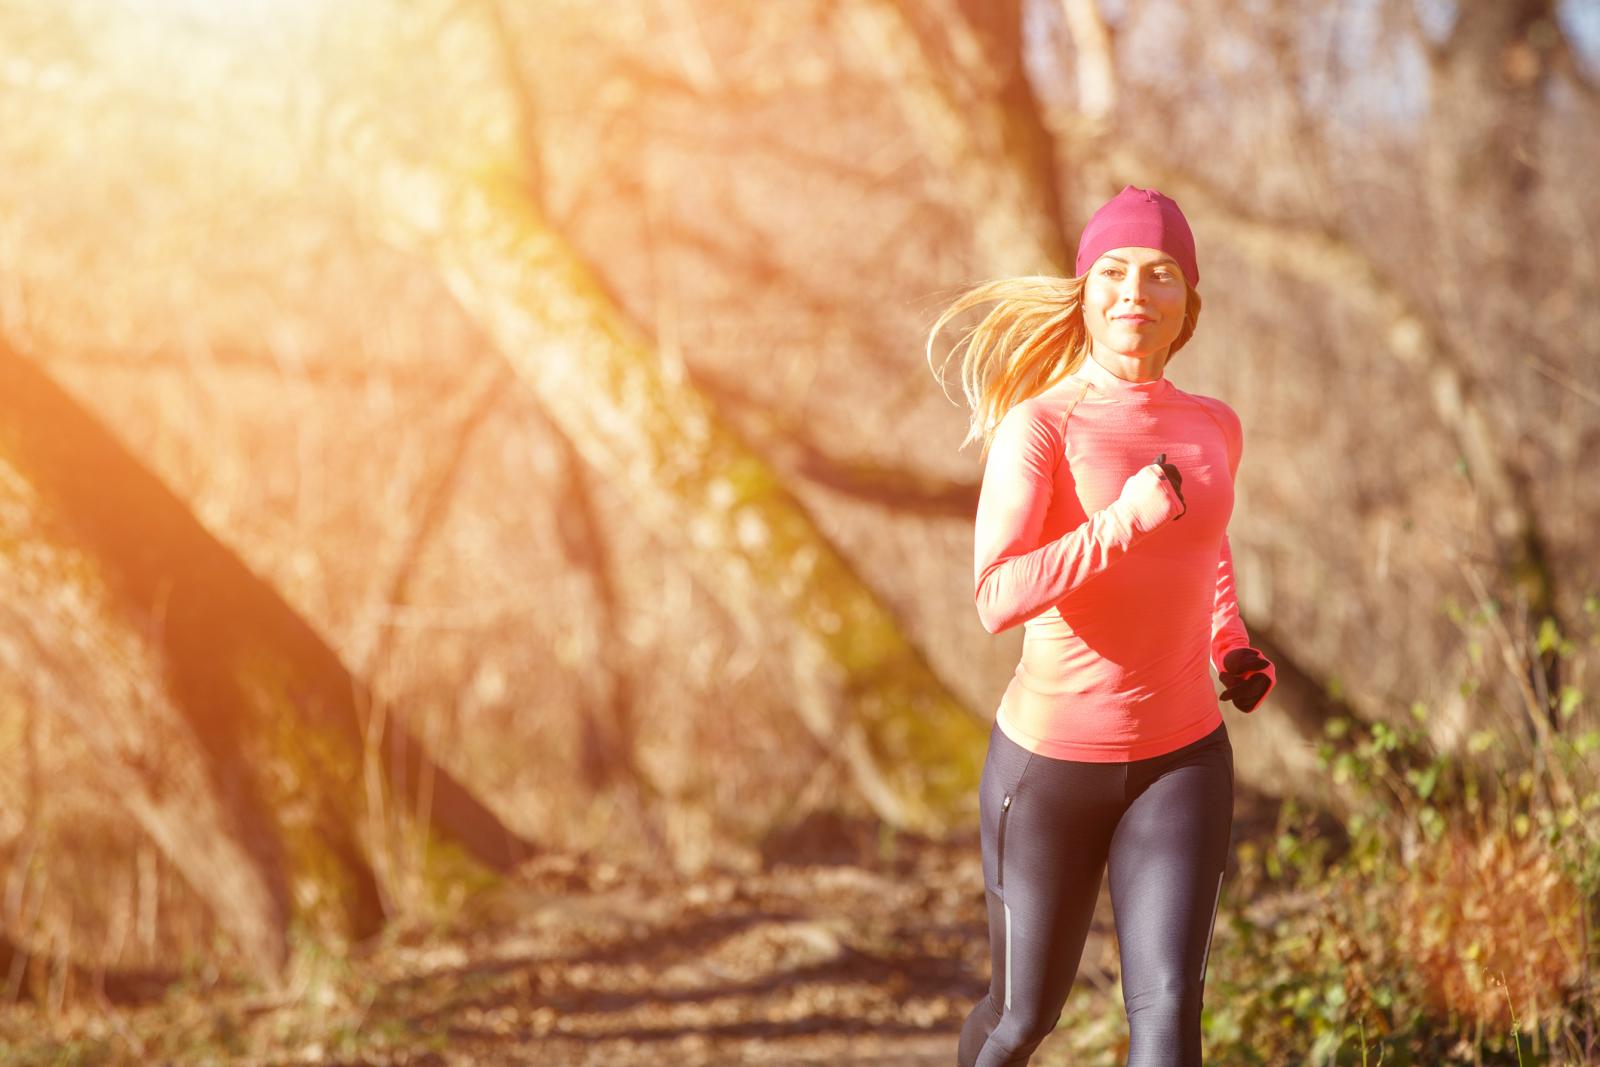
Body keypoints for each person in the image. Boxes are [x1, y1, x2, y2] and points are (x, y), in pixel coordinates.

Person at [925, 186, 1277, 1066]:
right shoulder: (1039, 427)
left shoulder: (1213, 428)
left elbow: (1206, 544)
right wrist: (1120, 521)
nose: (1135, 291)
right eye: (1114, 271)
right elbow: (995, 595)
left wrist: (1229, 641)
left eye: (1160, 274)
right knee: (1020, 1020)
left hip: (1183, 761)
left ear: (1186, 303)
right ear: (1085, 291)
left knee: (1165, 1022)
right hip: (1047, 772)